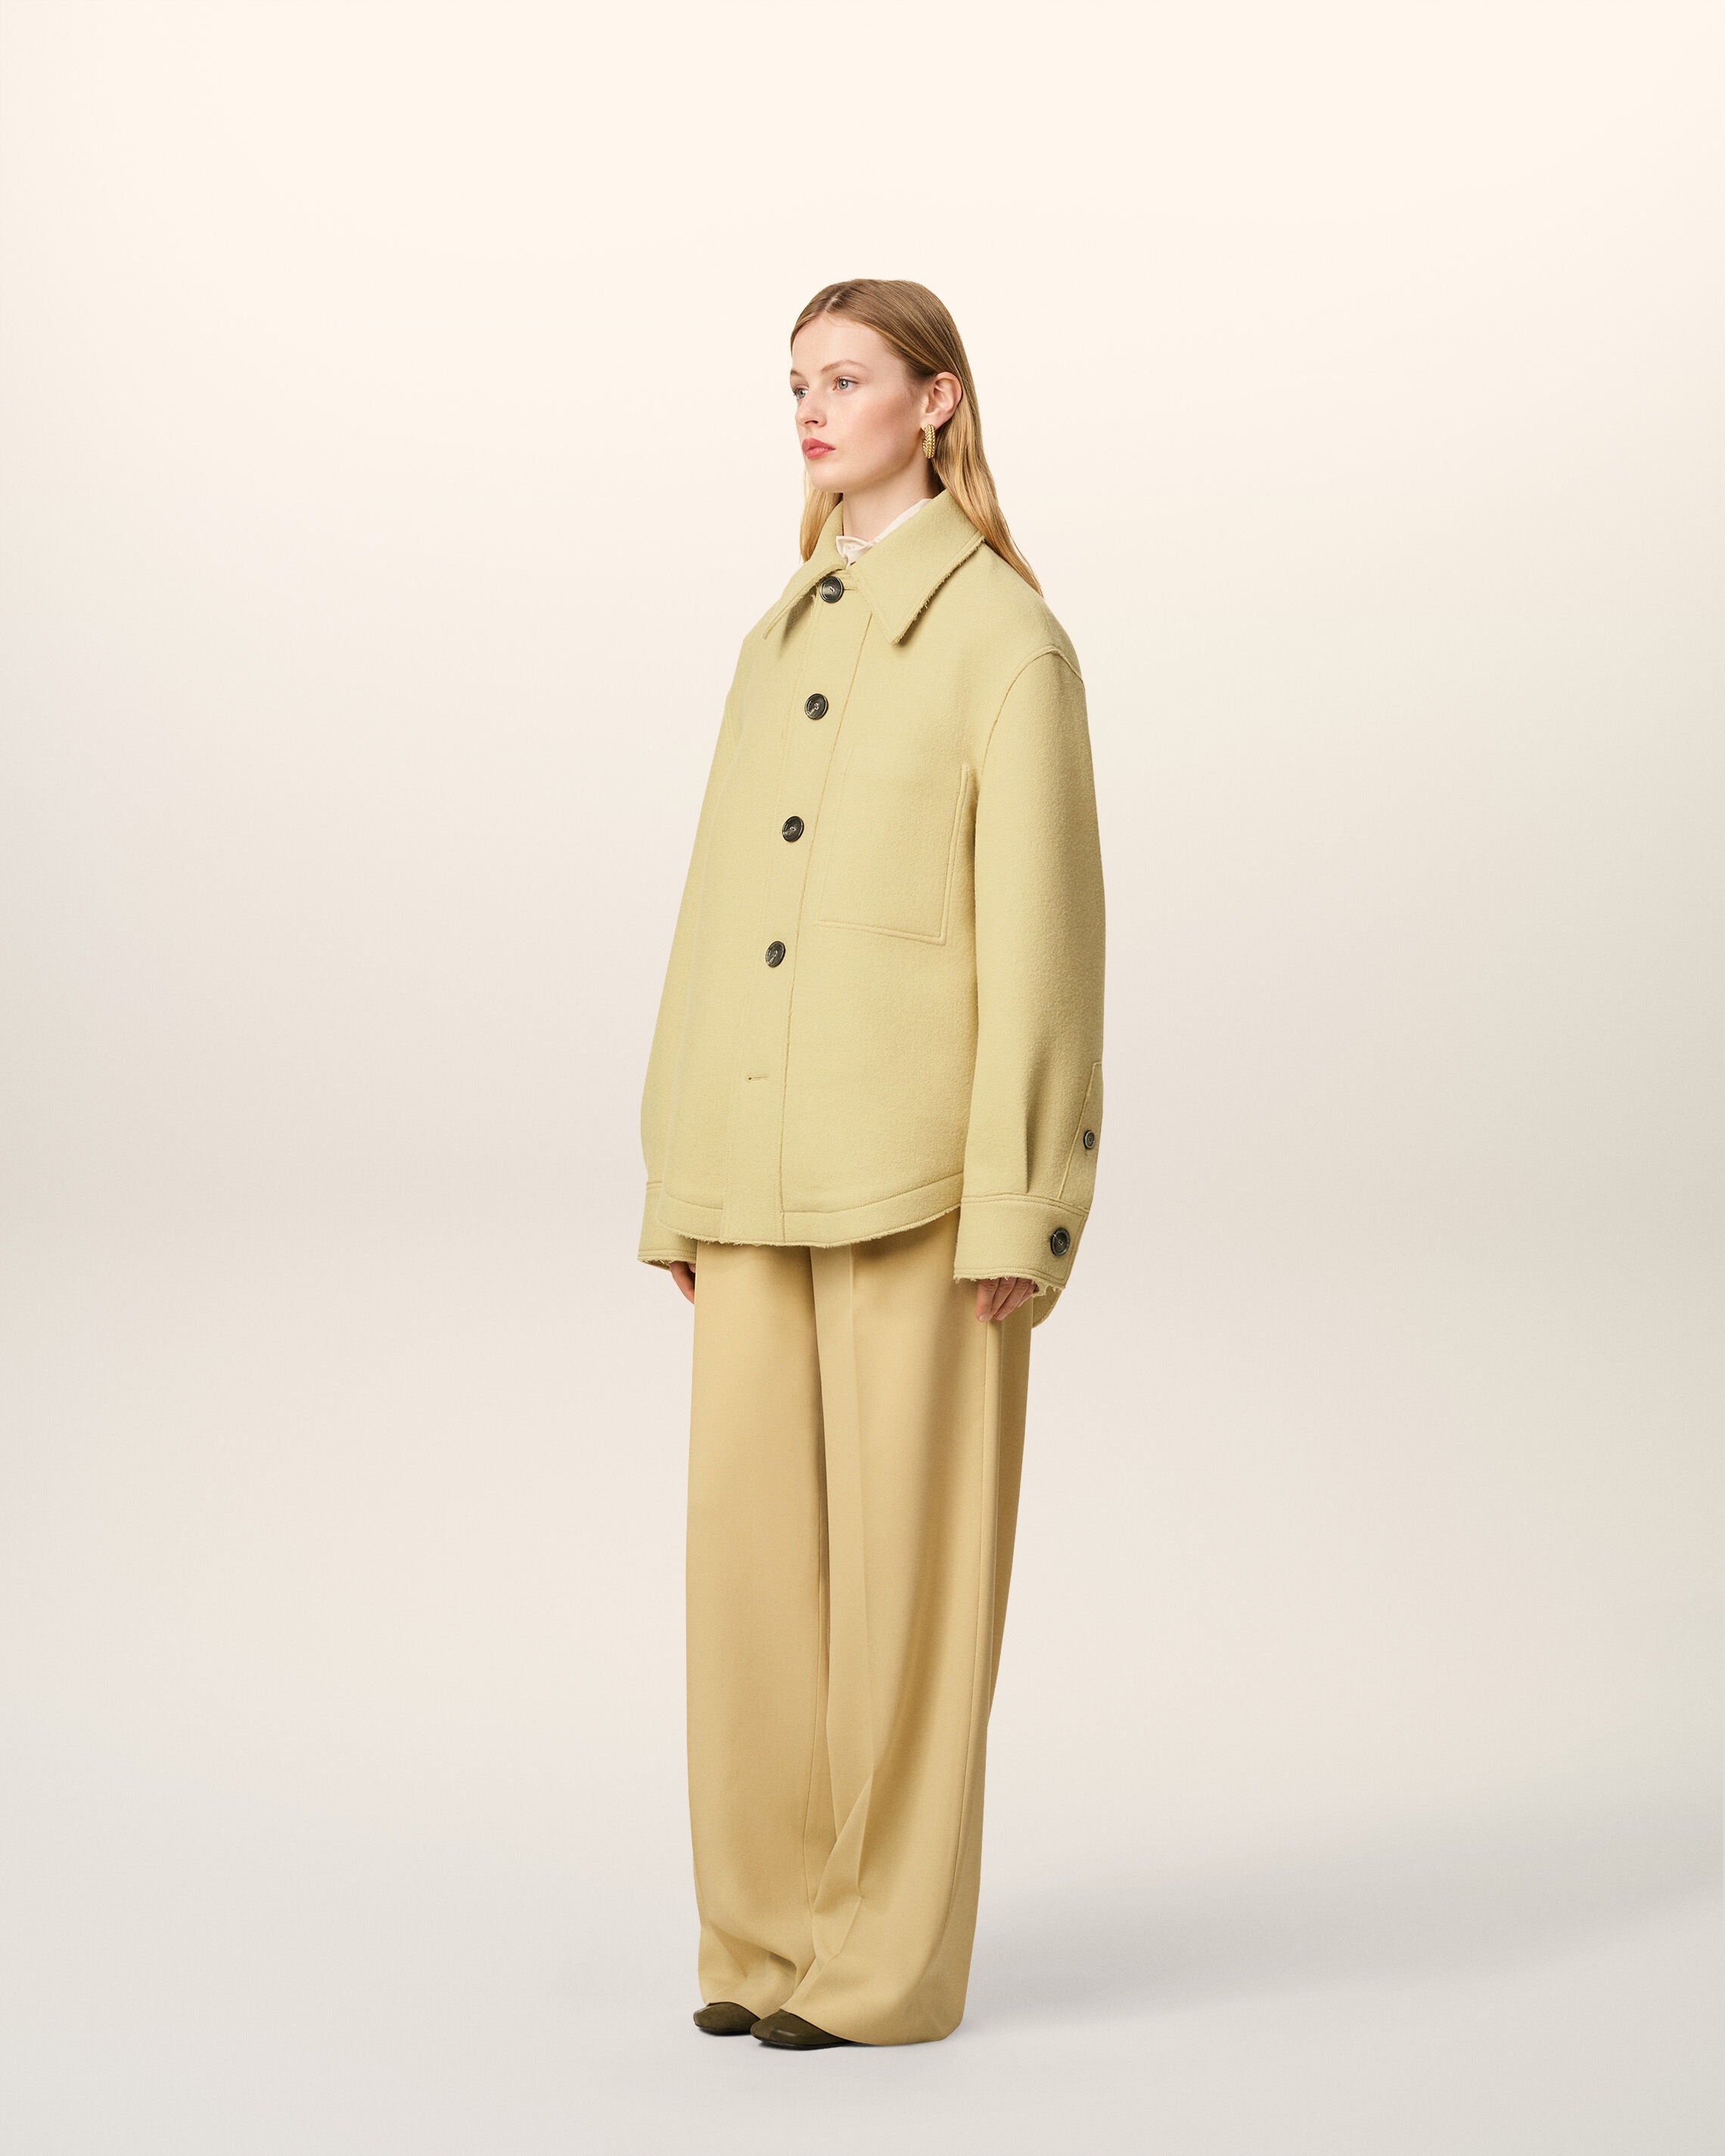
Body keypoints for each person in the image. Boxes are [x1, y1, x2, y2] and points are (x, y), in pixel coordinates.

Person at [635, 278, 1107, 2049]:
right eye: (796, 384)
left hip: (923, 1186)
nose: (813, 410)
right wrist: (680, 1172)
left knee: (913, 1590)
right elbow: (711, 916)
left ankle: (884, 1966)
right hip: (753, 1171)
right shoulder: (774, 641)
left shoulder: (1005, 641)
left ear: (937, 402)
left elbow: (1047, 943)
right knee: (747, 1577)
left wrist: (1022, 1205)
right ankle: (761, 1943)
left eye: (846, 378)